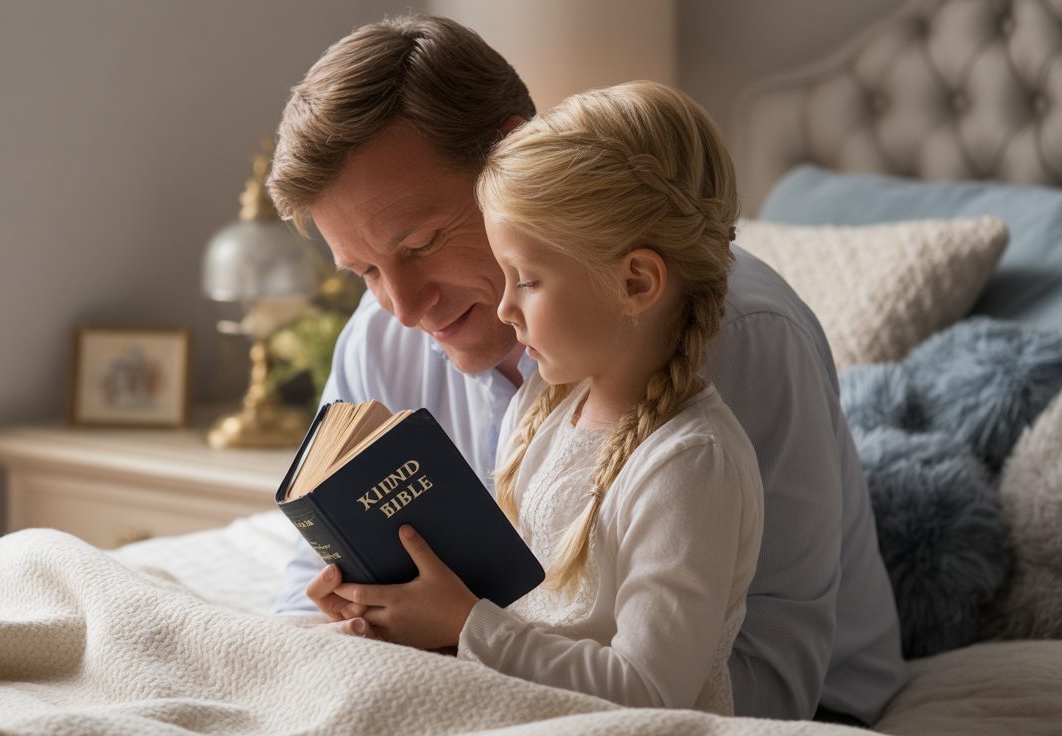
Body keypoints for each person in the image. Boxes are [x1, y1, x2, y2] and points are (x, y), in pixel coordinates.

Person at [267, 14, 904, 725]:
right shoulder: (381, 337)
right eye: (363, 272)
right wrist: (359, 622)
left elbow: (764, 674)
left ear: (513, 158)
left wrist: (463, 650)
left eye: (420, 244)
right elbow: (304, 593)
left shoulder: (741, 343)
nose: (405, 306)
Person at [341, 80, 766, 714]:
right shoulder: (541, 408)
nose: (505, 308)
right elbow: (518, 616)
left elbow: (649, 692)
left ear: (636, 280)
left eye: (528, 280)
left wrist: (464, 627)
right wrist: (405, 614)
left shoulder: (690, 463)